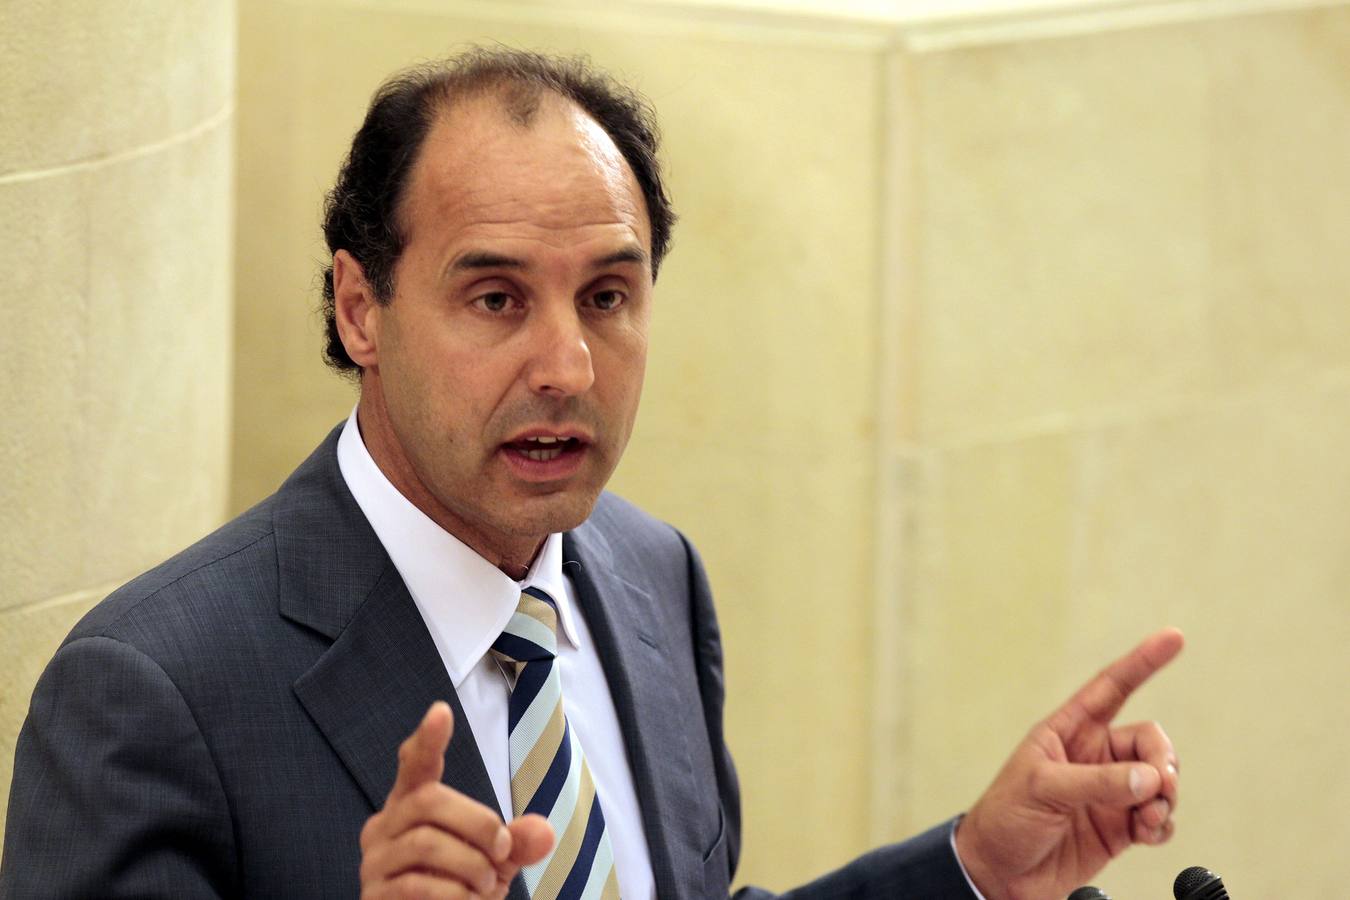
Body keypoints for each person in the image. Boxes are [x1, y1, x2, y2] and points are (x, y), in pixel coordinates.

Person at [0, 49, 1181, 899]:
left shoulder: (650, 572)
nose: (567, 367)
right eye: (496, 299)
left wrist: (976, 869)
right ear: (361, 308)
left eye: (608, 297)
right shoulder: (151, 694)